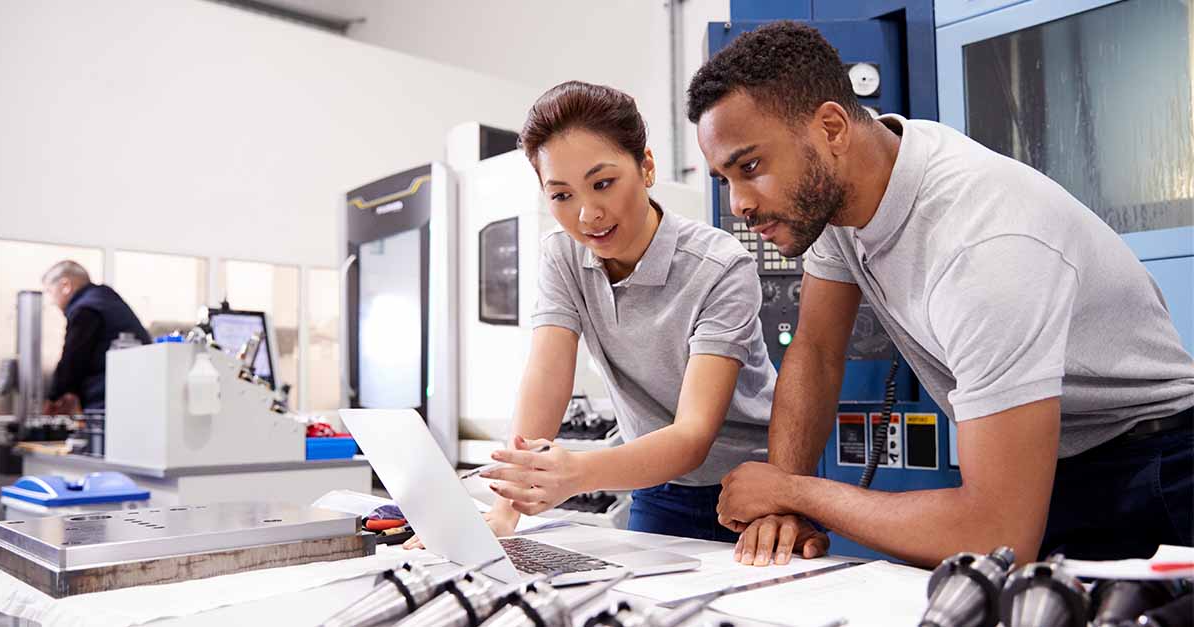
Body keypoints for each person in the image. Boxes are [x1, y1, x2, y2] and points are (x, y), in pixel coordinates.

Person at [684, 21, 1194, 568]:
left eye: (751, 167)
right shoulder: (840, 196)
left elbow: (997, 535)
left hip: (1152, 476)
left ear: (831, 128)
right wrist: (781, 501)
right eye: (724, 179)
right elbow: (816, 349)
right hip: (1053, 468)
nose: (738, 204)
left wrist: (793, 494)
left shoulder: (985, 245)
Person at [411, 80, 779, 544]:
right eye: (561, 195)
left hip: (751, 490)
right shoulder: (563, 255)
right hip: (654, 484)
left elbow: (692, 435)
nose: (587, 214)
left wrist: (578, 472)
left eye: (602, 183)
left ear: (646, 167)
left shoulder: (721, 265)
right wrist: (505, 511)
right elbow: (547, 376)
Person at [41, 260, 151, 413]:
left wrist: (53, 397)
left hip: (106, 400)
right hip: (139, 393)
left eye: (50, 292)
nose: (52, 302)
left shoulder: (86, 308)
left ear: (65, 286)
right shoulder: (106, 299)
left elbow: (73, 358)